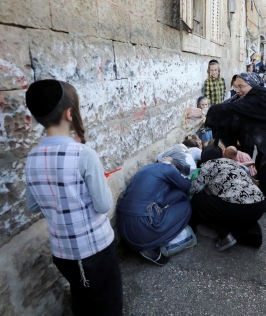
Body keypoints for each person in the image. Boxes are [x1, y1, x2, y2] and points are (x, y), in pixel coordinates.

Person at [24, 80, 122, 316]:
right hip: (96, 251)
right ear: (70, 113)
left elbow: (32, 204)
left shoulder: (32, 158)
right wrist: (104, 184)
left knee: (81, 298)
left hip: (62, 253)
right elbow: (103, 204)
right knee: (108, 303)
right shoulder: (83, 154)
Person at [189, 72, 266, 212]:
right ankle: (264, 198)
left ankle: (264, 202)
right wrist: (204, 113)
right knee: (263, 168)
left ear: (253, 85)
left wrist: (202, 113)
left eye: (241, 86)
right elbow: (229, 105)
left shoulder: (261, 98)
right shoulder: (254, 96)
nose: (237, 90)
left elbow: (231, 108)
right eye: (235, 86)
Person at [117, 155, 193, 266]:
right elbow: (188, 186)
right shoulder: (169, 169)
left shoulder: (147, 168)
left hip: (122, 224)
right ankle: (151, 247)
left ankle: (145, 243)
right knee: (186, 207)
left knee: (178, 195)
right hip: (142, 225)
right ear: (173, 164)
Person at [190, 144, 265, 250]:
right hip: (259, 205)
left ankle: (224, 235)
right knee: (237, 208)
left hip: (239, 208)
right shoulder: (231, 162)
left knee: (196, 200)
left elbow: (193, 189)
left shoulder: (207, 166)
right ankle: (253, 237)